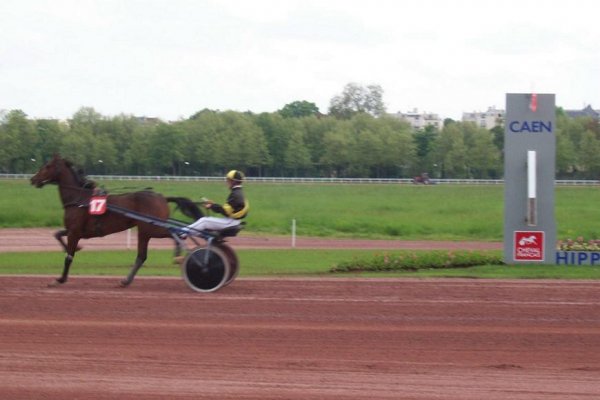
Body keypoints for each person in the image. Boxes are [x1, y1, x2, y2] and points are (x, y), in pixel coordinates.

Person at [180, 169, 249, 236]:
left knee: (204, 221)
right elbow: (227, 209)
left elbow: (224, 210)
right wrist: (213, 205)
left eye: (228, 180)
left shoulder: (235, 194)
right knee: (205, 221)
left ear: (232, 181)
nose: (226, 182)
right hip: (232, 221)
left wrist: (211, 206)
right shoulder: (238, 192)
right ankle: (187, 233)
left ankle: (182, 232)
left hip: (230, 222)